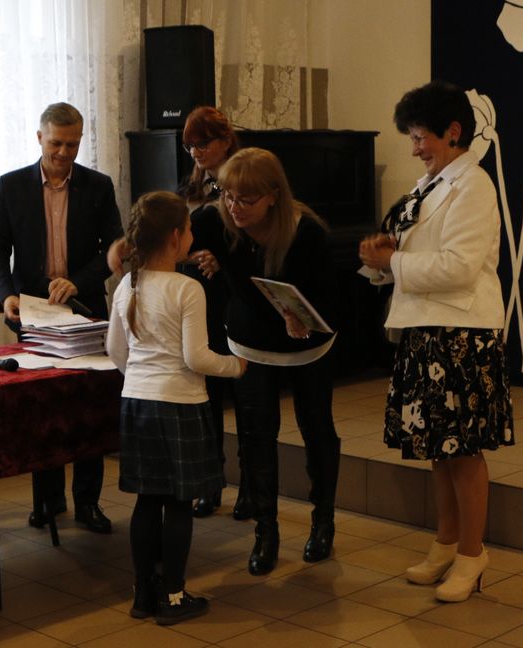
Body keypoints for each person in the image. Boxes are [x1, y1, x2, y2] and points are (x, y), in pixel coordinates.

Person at [359, 80, 515, 603]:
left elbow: (459, 267)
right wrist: (382, 261)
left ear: (453, 131)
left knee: (463, 451)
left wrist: (395, 261)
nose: (414, 148)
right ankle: (446, 544)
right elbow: (410, 260)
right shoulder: (427, 185)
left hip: (462, 333)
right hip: (425, 328)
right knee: (439, 448)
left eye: (420, 136)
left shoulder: (474, 185)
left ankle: (473, 554)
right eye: (411, 137)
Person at [105, 191, 246, 625]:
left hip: (137, 403)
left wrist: (142, 377)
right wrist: (235, 366)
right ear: (174, 237)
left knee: (147, 501)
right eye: (188, 229)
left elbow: (115, 351)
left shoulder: (127, 285)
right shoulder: (188, 288)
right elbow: (196, 358)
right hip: (180, 405)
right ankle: (174, 596)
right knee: (180, 505)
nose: (192, 236)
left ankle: (143, 594)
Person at [0, 101, 122, 534]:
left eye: (73, 144)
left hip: (85, 310)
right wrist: (6, 296)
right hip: (34, 312)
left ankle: (88, 502)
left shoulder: (98, 186)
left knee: (87, 410)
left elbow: (115, 248)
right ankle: (47, 500)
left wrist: (78, 282)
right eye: (57, 143)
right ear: (39, 137)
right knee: (43, 409)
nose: (64, 152)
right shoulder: (11, 186)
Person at [202, 147, 341, 575]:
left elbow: (331, 298)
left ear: (273, 196)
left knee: (316, 430)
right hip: (250, 343)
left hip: (307, 344)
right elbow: (173, 233)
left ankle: (323, 522)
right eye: (227, 195)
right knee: (256, 436)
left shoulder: (307, 233)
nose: (234, 207)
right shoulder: (219, 220)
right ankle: (266, 531)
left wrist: (301, 317)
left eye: (246, 199)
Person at [110, 106, 252, 521]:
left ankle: (248, 487)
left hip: (224, 294)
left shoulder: (239, 181)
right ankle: (209, 483)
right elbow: (175, 243)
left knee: (235, 400)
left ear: (225, 140)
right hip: (188, 291)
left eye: (203, 144)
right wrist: (192, 257)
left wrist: (219, 259)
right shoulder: (192, 184)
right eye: (190, 146)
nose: (196, 152)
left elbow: (242, 245)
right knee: (207, 398)